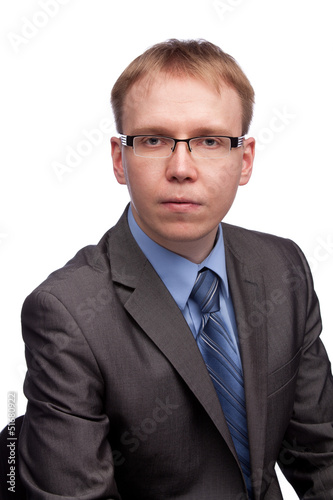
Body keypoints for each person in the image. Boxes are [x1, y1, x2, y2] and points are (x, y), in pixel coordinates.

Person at [18, 39, 333, 499]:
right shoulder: (66, 313)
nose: (181, 167)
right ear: (118, 159)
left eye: (209, 141)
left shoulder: (283, 267)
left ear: (244, 160)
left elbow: (321, 455)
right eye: (153, 140)